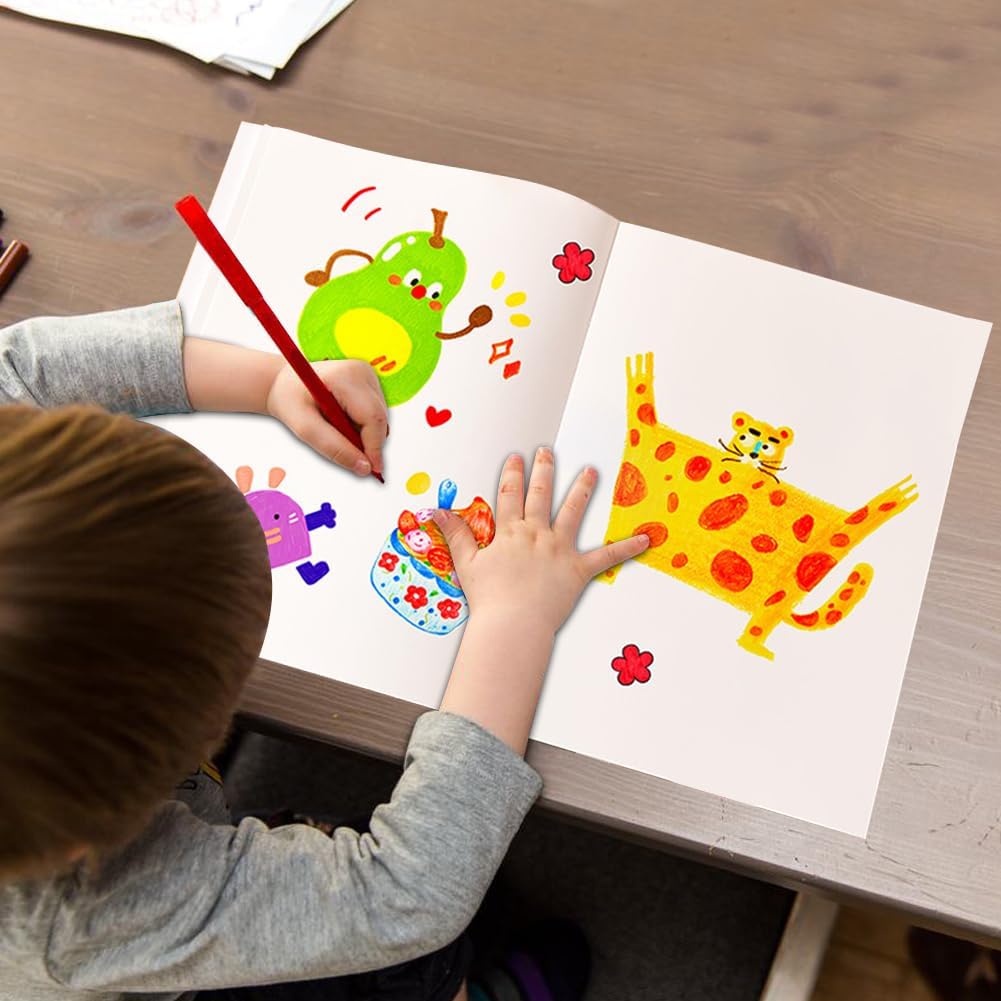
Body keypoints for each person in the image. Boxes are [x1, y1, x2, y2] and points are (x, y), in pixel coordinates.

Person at [0, 301, 648, 1001]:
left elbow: (19, 368)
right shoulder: (86, 914)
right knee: (389, 961)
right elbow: (405, 892)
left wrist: (269, 381)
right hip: (190, 980)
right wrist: (515, 617)